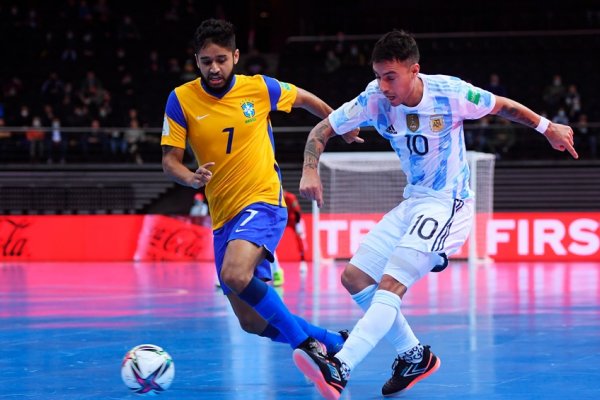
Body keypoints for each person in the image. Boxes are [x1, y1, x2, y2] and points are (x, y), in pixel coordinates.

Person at [293, 29, 578, 400]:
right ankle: (413, 356)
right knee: (355, 276)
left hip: (449, 202)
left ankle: (341, 366)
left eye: (391, 76)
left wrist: (547, 128)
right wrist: (310, 168)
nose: (383, 85)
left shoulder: (450, 93)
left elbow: (502, 106)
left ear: (414, 70)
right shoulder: (374, 98)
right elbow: (322, 129)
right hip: (413, 201)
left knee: (391, 283)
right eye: (378, 75)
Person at [161, 19, 357, 360]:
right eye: (206, 61)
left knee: (235, 274)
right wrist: (189, 177)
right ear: (196, 61)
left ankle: (307, 346)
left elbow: (305, 99)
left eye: (221, 59)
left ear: (235, 56)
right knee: (250, 322)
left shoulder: (259, 88)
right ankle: (332, 340)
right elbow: (169, 161)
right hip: (222, 215)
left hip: (263, 199)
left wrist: (338, 124)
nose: (214, 68)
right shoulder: (180, 100)